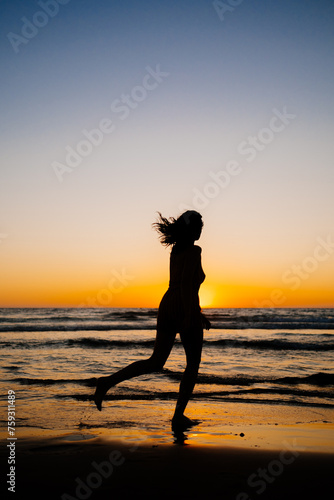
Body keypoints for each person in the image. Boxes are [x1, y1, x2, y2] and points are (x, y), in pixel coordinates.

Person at [93, 210, 210, 430]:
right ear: (192, 229)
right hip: (183, 306)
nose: (202, 229)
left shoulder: (176, 250)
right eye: (200, 225)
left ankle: (107, 382)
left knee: (155, 361)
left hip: (167, 305)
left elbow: (182, 285)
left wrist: (198, 312)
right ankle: (178, 416)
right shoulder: (195, 251)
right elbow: (186, 285)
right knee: (192, 364)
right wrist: (190, 314)